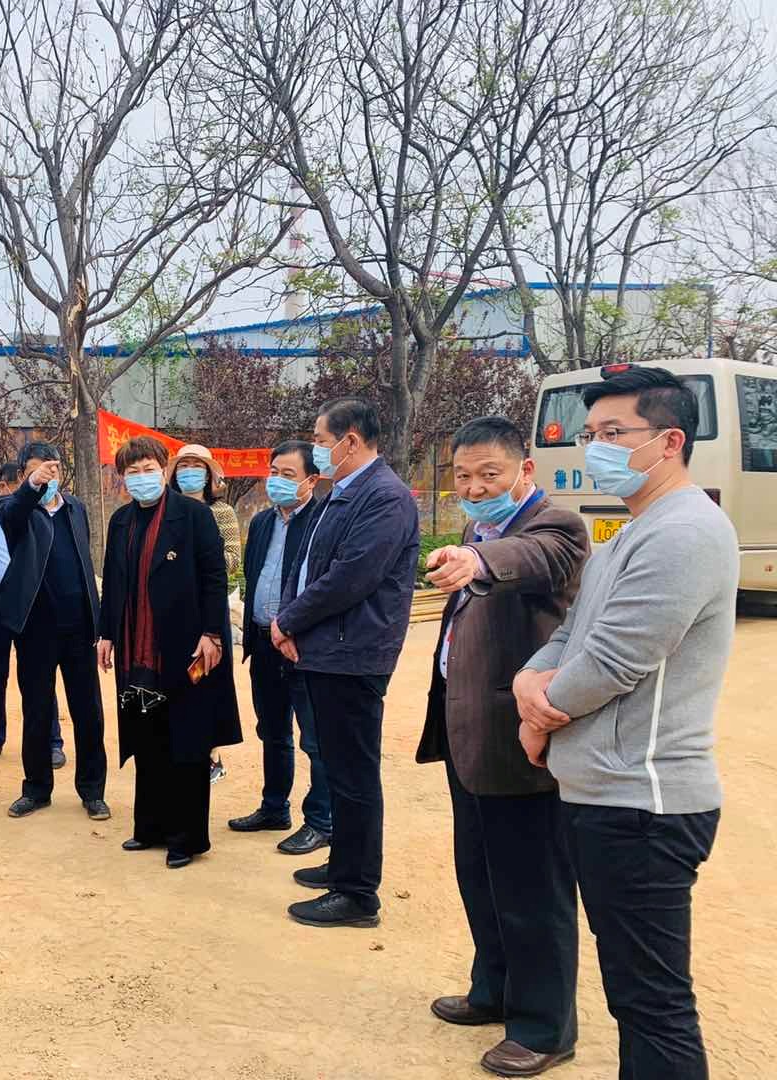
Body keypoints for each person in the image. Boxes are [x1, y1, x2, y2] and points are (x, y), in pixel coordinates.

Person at [515, 366, 737, 1080]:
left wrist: (538, 720)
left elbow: (613, 661)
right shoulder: (626, 535)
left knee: (652, 1004)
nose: (595, 449)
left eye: (614, 433)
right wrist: (525, 681)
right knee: (633, 996)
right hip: (605, 794)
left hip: (645, 803)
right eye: (589, 434)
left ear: (670, 441)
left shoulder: (686, 532)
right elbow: (569, 633)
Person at [415, 416, 588, 1078]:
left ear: (524, 471)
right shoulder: (475, 529)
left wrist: (479, 561)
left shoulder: (556, 527)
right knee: (481, 873)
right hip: (471, 735)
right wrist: (474, 551)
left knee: (532, 886)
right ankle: (493, 989)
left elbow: (532, 557)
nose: (474, 487)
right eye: (462, 475)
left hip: (521, 742)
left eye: (489, 474)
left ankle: (545, 1027)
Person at [272, 397, 419, 928]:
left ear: (349, 440)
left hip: (353, 654)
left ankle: (357, 894)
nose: (317, 448)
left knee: (355, 775)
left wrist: (289, 621)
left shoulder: (385, 498)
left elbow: (350, 576)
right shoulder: (342, 493)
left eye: (320, 439)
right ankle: (343, 866)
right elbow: (306, 565)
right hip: (326, 649)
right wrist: (290, 620)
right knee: (336, 767)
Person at [98, 436, 241, 869]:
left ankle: (186, 838)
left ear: (164, 470)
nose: (141, 477)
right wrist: (106, 634)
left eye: (149, 469)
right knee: (148, 737)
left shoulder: (194, 516)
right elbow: (113, 581)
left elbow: (214, 577)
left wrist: (213, 634)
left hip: (184, 645)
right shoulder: (122, 520)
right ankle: (150, 827)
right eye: (132, 471)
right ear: (122, 478)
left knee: (187, 741)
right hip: (135, 648)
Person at [0, 442, 109, 822]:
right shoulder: (15, 509)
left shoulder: (75, 508)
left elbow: (84, 560)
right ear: (23, 475)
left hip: (78, 628)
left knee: (88, 713)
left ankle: (92, 791)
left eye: (52, 468)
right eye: (36, 469)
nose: (47, 475)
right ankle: (36, 789)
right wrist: (32, 487)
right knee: (37, 711)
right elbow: (12, 513)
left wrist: (97, 621)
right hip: (35, 629)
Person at [227, 440, 330, 856]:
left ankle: (320, 821)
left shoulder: (323, 522)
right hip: (263, 642)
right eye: (274, 473)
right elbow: (254, 575)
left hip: (302, 647)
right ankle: (274, 807)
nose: (277, 481)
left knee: (315, 739)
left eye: (288, 475)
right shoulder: (262, 523)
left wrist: (295, 629)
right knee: (272, 732)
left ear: (311, 480)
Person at [0, 463, 65, 768]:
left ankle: (52, 740)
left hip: (32, 600)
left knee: (39, 675)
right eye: (23, 486)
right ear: (3, 487)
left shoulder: (38, 511)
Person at [170, 444, 240, 783]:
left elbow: (232, 560)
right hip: (173, 612)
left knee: (206, 679)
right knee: (177, 680)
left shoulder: (221, 512)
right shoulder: (166, 511)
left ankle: (211, 755)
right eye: (183, 466)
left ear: (209, 474)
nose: (189, 472)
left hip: (208, 611)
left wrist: (192, 561)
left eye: (196, 466)